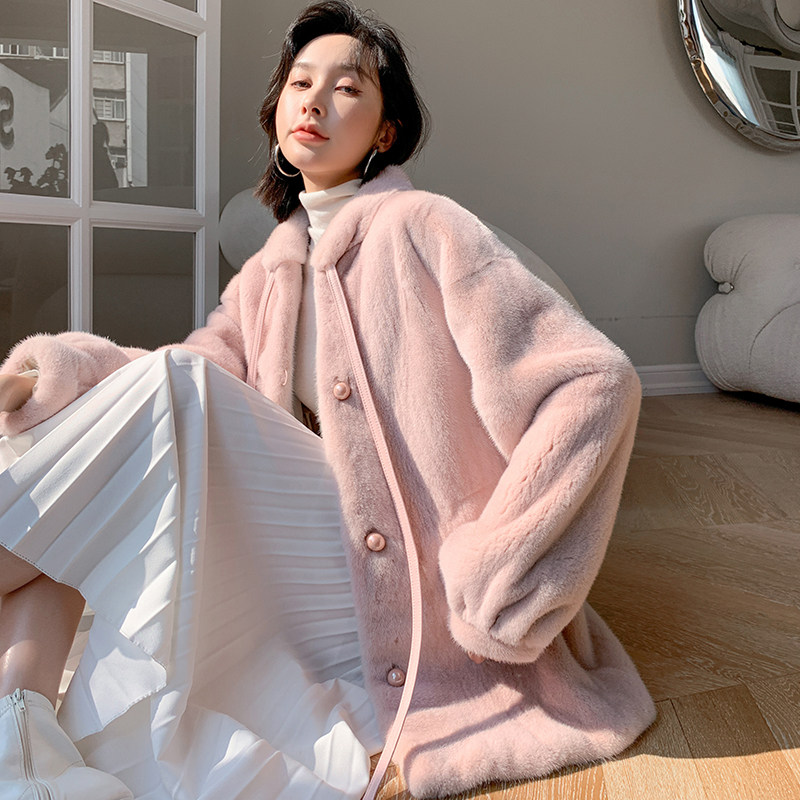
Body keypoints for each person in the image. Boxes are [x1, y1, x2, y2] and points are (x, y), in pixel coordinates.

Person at [0, 2, 656, 799]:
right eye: (299, 83)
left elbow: (594, 381)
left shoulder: (427, 226)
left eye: (346, 88)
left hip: (411, 589)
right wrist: (52, 377)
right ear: (277, 111)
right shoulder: (272, 271)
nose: (314, 100)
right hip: (312, 564)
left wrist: (499, 567)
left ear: (385, 130)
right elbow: (193, 373)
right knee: (91, 502)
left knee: (171, 399)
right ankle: (18, 743)